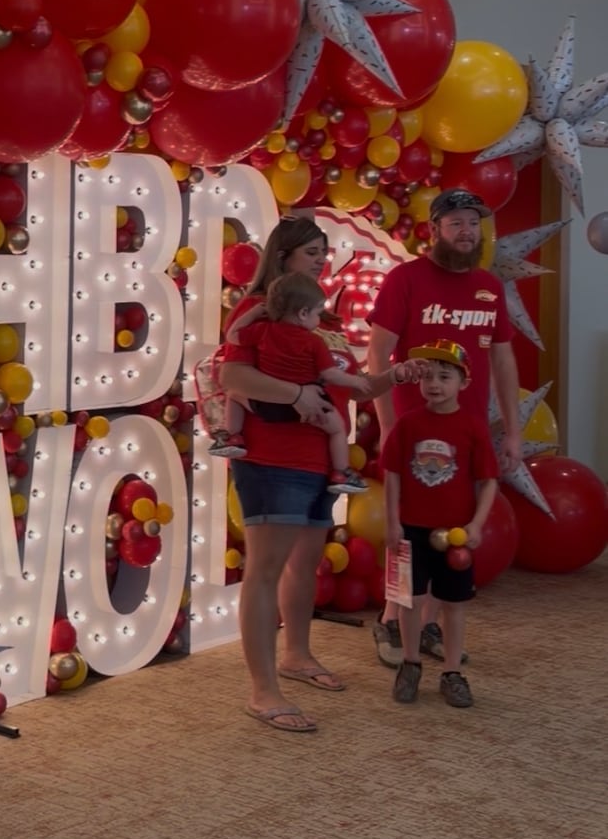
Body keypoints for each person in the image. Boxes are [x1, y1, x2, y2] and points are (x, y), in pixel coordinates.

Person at [219, 215, 415, 734]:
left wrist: (390, 377)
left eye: (324, 253)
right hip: (272, 456)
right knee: (264, 568)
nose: (322, 260)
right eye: (312, 252)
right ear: (283, 256)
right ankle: (263, 691)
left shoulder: (319, 320)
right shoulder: (256, 311)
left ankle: (297, 655)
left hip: (320, 460)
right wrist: (298, 396)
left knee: (304, 565)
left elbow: (346, 381)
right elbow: (232, 375)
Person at [366, 188, 521, 669]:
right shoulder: (405, 279)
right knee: (406, 532)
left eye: (472, 223)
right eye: (455, 223)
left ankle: (428, 624)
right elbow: (378, 353)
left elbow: (502, 358)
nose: (465, 231)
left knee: (450, 530)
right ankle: (392, 618)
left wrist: (512, 430)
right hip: (413, 433)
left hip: (466, 433)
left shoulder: (488, 288)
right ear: (434, 230)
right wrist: (390, 424)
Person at [382, 340, 498, 708]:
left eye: (445, 376)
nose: (434, 383)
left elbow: (488, 481)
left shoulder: (472, 428)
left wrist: (477, 525)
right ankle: (411, 663)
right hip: (411, 530)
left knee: (454, 604)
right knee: (409, 601)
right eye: (428, 376)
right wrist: (392, 523)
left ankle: (451, 671)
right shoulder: (408, 424)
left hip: (455, 534)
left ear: (463, 383)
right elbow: (393, 475)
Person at [241, 271, 372, 495]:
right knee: (338, 430)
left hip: (268, 406)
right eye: (318, 314)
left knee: (234, 394)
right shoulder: (314, 341)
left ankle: (231, 436)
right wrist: (356, 380)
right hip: (310, 405)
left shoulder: (262, 330)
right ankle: (341, 472)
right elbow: (331, 374)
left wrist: (252, 314)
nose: (319, 320)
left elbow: (233, 334)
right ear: (303, 313)